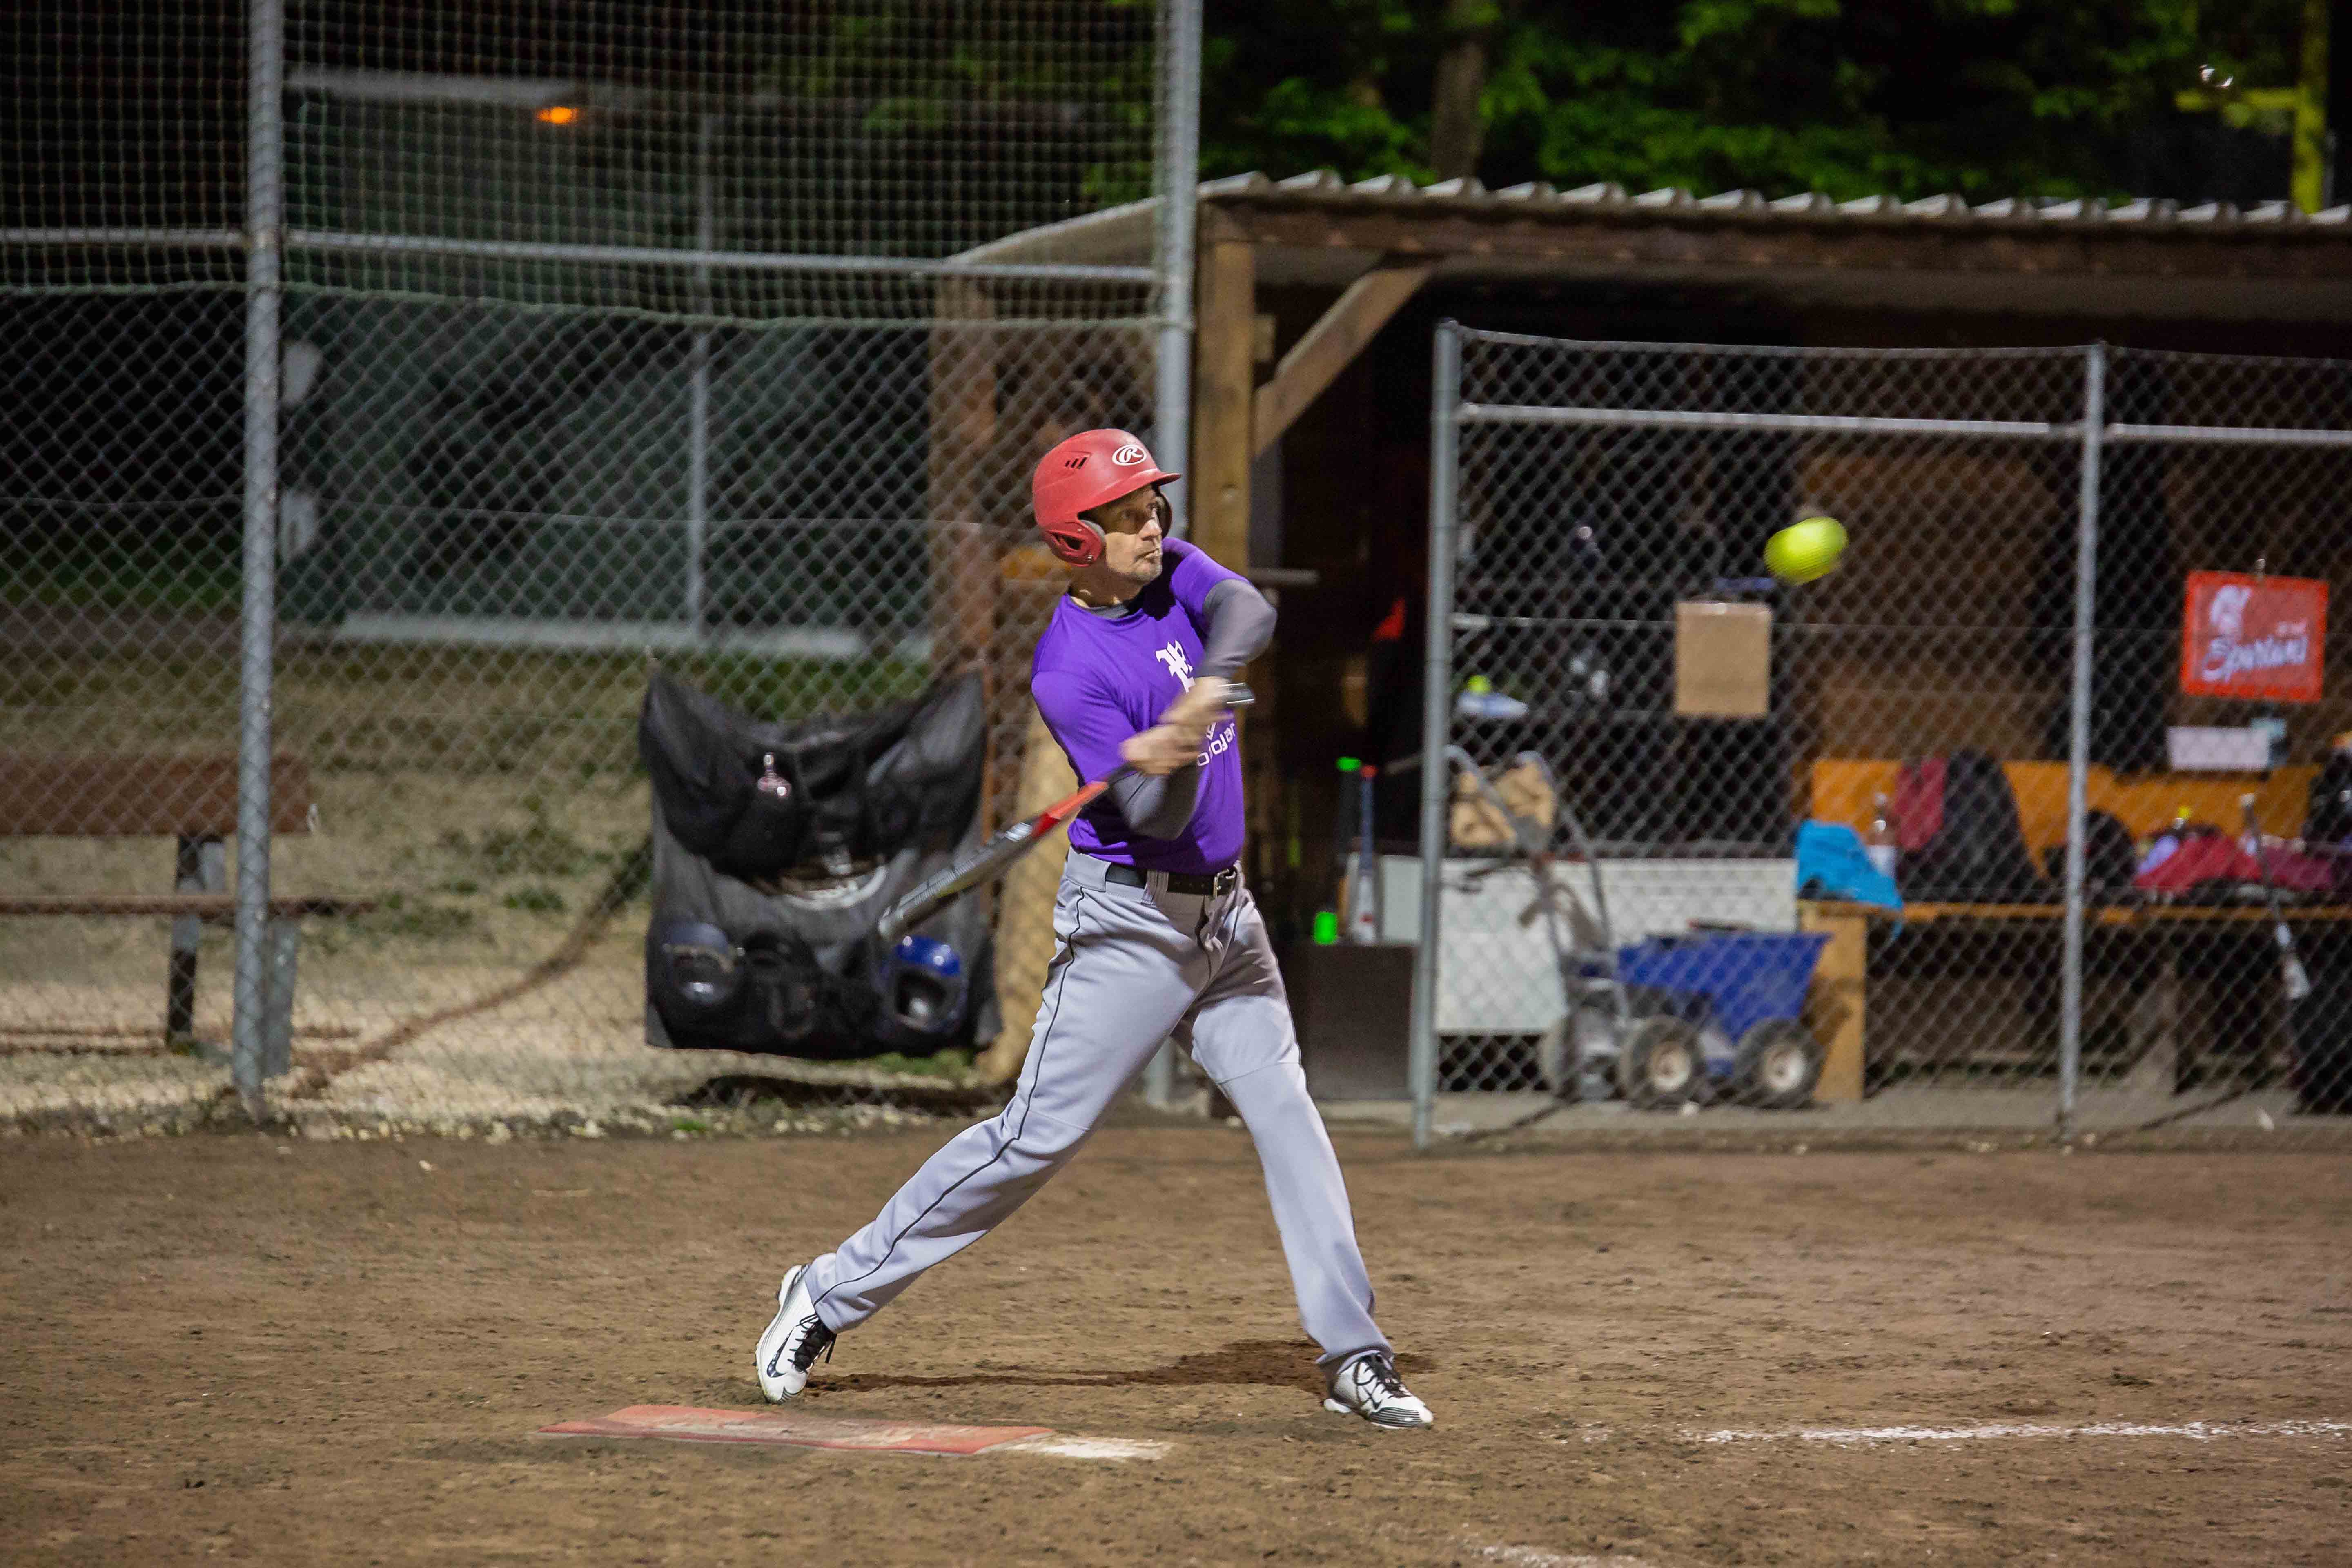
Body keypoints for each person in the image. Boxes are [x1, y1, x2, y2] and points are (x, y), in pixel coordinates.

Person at [753, 428, 1433, 1430]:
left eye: (1152, 508)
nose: (1152, 527)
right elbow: (1152, 822)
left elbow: (1250, 611)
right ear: (1077, 541)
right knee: (1032, 1141)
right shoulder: (1070, 672)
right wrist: (1170, 759)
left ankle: (1353, 1351)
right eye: (1125, 517)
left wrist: (1204, 695)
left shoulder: (1173, 576)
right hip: (1131, 927)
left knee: (1287, 1114)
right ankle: (827, 1291)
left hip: (1228, 920)